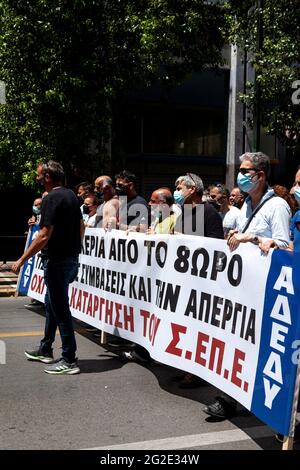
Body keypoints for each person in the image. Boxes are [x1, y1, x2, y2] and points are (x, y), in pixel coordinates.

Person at [204, 152, 291, 419]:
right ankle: (231, 398)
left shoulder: (276, 207)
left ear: (260, 175)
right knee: (236, 343)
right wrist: (236, 236)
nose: (240, 176)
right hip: (244, 291)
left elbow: (286, 248)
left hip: (264, 293)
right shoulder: (246, 207)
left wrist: (252, 237)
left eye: (245, 171)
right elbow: (241, 237)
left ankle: (248, 400)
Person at [12, 160, 85, 375]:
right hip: (69, 259)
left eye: (38, 175)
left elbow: (44, 235)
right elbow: (81, 226)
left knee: (60, 310)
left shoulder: (51, 198)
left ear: (47, 177)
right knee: (51, 305)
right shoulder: (71, 195)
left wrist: (21, 259)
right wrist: (74, 248)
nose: (36, 178)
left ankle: (69, 359)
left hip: (56, 261)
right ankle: (45, 349)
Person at [173, 173, 224, 388]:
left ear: (192, 189)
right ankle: (186, 366)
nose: (176, 191)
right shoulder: (184, 212)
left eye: (179, 187)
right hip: (184, 277)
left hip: (201, 280)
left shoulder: (209, 212)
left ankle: (197, 373)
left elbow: (215, 245)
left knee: (198, 326)